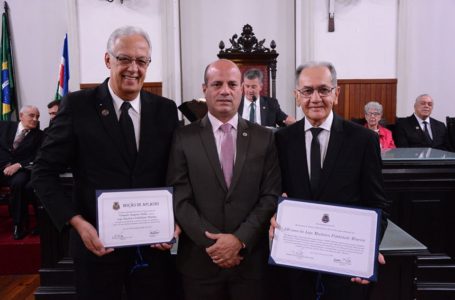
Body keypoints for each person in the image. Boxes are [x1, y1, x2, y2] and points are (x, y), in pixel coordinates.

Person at [31, 26, 179, 300]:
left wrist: (176, 221)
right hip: (96, 246)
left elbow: (178, 174)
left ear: (148, 64)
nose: (133, 68)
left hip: (153, 247)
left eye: (141, 60)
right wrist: (76, 222)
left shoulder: (166, 110)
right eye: (124, 58)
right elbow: (43, 172)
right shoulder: (78, 106)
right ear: (108, 60)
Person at [272, 61, 389, 300]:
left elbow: (377, 202)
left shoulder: (363, 140)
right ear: (297, 96)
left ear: (336, 94)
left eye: (323, 90)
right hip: (295, 266)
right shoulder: (281, 140)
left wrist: (368, 250)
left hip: (344, 269)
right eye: (307, 91)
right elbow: (275, 194)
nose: (315, 98)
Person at [167, 59, 280, 300]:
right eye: (217, 84)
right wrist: (216, 246)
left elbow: (270, 196)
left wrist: (239, 240)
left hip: (250, 263)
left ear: (241, 89)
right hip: (200, 262)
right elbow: (180, 197)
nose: (225, 90)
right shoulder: (183, 137)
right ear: (204, 89)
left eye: (232, 84)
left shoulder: (264, 138)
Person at [0, 105, 43, 239]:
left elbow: (38, 157)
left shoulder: (40, 135)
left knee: (19, 184)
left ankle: (19, 224)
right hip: (1, 167)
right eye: (32, 115)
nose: (35, 119)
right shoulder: (4, 126)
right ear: (21, 116)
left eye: (37, 117)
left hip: (21, 170)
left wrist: (18, 165)